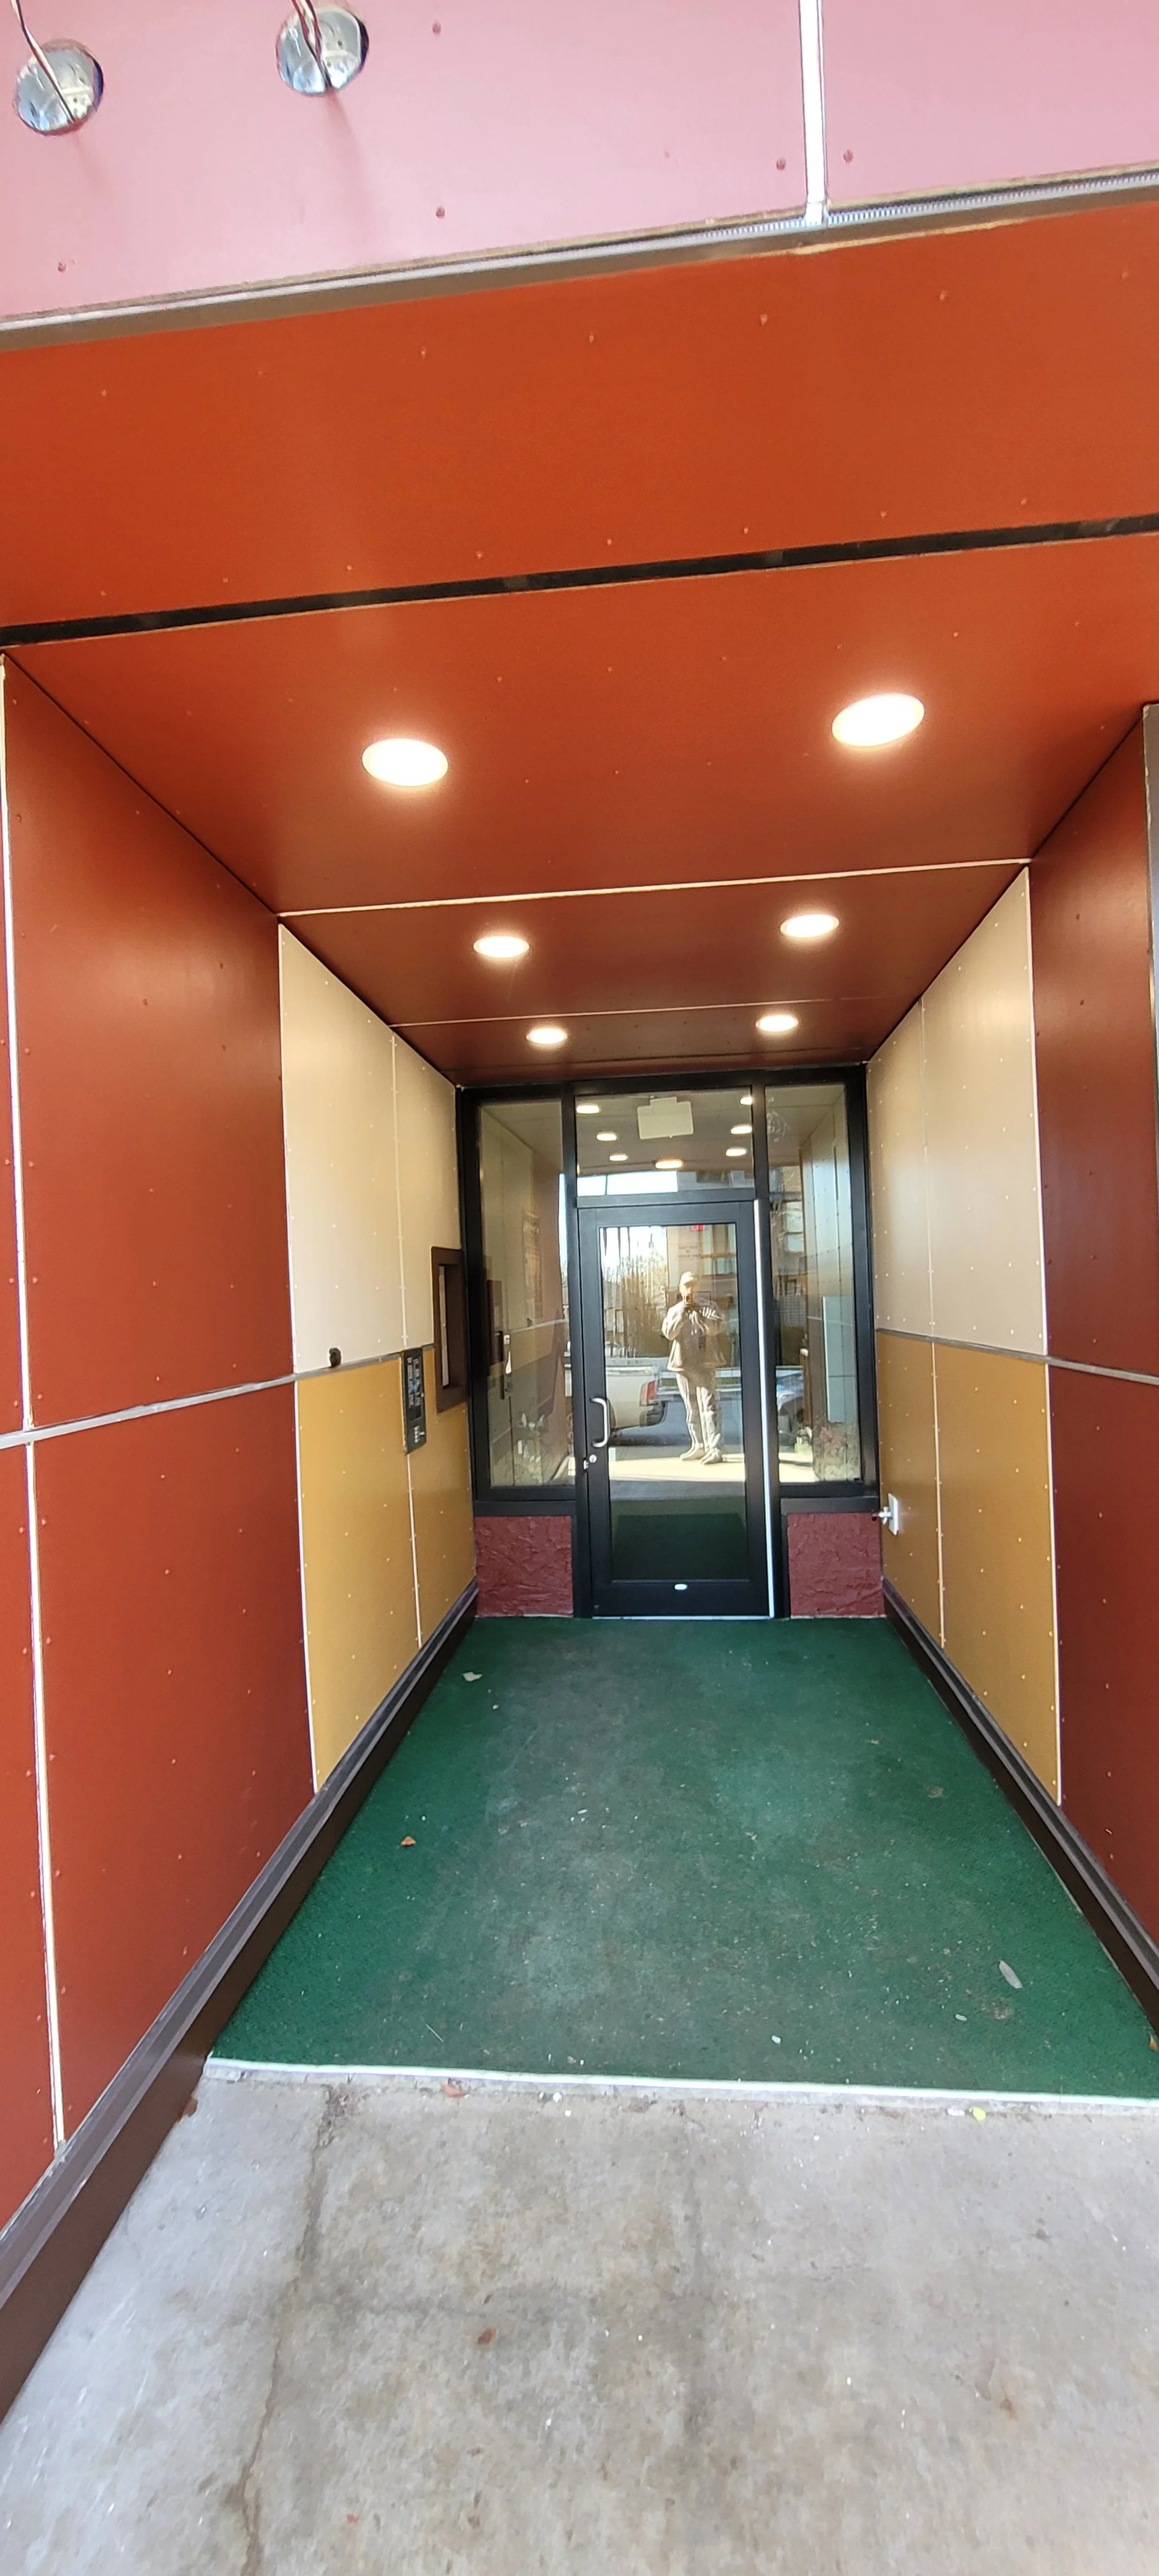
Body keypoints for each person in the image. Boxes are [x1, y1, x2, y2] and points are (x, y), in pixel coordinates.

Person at [662, 1270, 725, 1463]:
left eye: (693, 1286)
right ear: (681, 1290)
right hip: (683, 1364)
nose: (690, 1290)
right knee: (691, 1407)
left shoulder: (710, 1307)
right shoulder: (675, 1310)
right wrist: (683, 1314)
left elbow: (717, 1329)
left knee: (710, 1406)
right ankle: (698, 1444)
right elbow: (669, 1333)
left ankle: (714, 1448)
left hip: (705, 1363)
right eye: (686, 1286)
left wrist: (702, 1319)